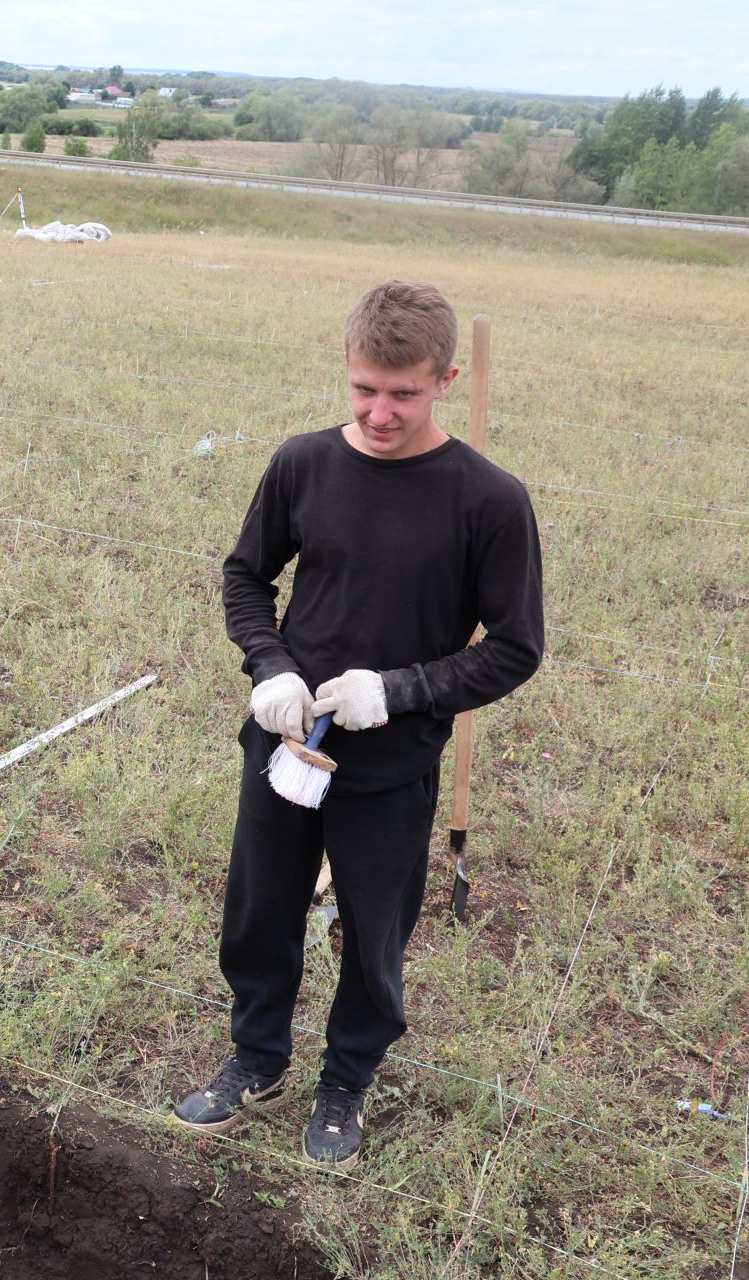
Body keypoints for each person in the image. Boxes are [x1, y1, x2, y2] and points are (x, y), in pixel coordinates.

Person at [170, 281, 544, 1169]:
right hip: (286, 742)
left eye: (404, 393)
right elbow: (244, 578)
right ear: (347, 371)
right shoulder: (302, 464)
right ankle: (257, 1059)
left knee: (375, 932)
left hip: (393, 762)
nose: (381, 413)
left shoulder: (489, 500)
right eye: (364, 389)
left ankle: (345, 1081)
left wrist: (404, 689)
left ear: (446, 377)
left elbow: (516, 648)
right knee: (260, 911)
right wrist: (271, 667)